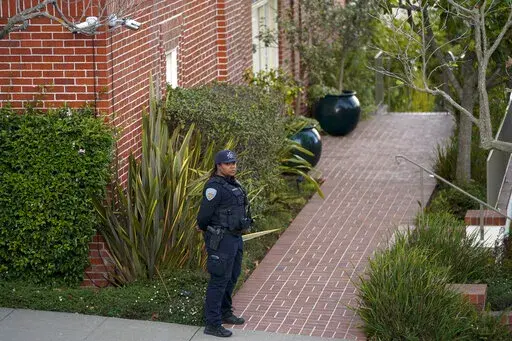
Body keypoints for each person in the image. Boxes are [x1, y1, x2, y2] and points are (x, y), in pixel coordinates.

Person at [197, 149, 253, 338]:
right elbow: (203, 217)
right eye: (228, 164)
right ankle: (212, 323)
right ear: (219, 165)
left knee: (232, 276)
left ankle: (225, 312)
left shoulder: (233, 183)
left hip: (235, 238)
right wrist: (209, 231)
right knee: (219, 279)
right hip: (221, 239)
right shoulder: (214, 187)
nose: (233, 166)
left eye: (234, 163)